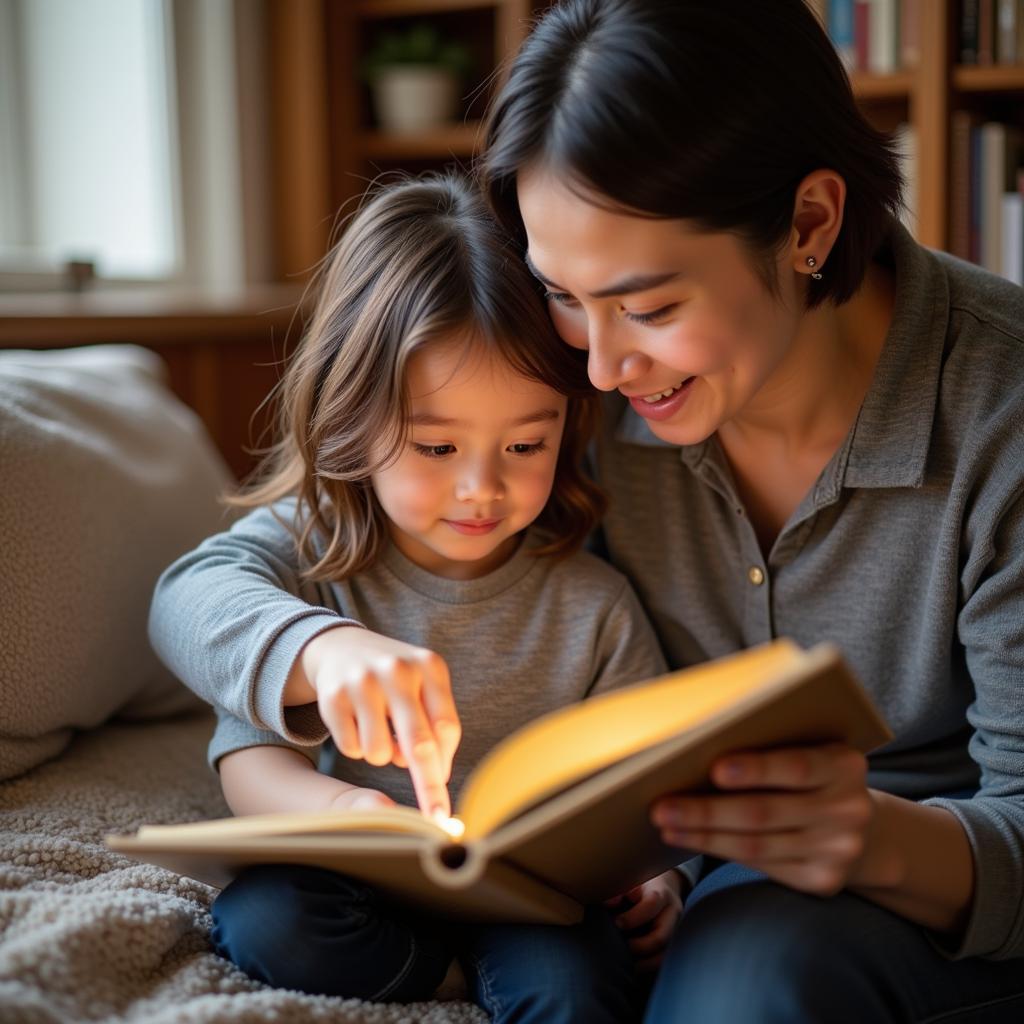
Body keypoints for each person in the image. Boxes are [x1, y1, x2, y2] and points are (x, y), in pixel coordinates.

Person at [472, 0, 1024, 1020]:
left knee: (751, 972)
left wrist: (864, 835)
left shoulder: (1002, 412)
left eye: (649, 306)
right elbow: (276, 545)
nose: (599, 363)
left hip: (939, 884)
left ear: (809, 222)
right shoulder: (567, 395)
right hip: (695, 873)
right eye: (561, 294)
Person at [148, 172, 681, 1022]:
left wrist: (659, 876)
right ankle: (445, 976)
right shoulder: (313, 557)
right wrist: (334, 740)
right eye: (435, 447)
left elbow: (648, 783)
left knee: (577, 984)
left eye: (524, 444)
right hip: (358, 878)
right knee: (267, 923)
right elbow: (190, 613)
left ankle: (489, 970)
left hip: (532, 894)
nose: (482, 489)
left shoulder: (593, 601)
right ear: (355, 420)